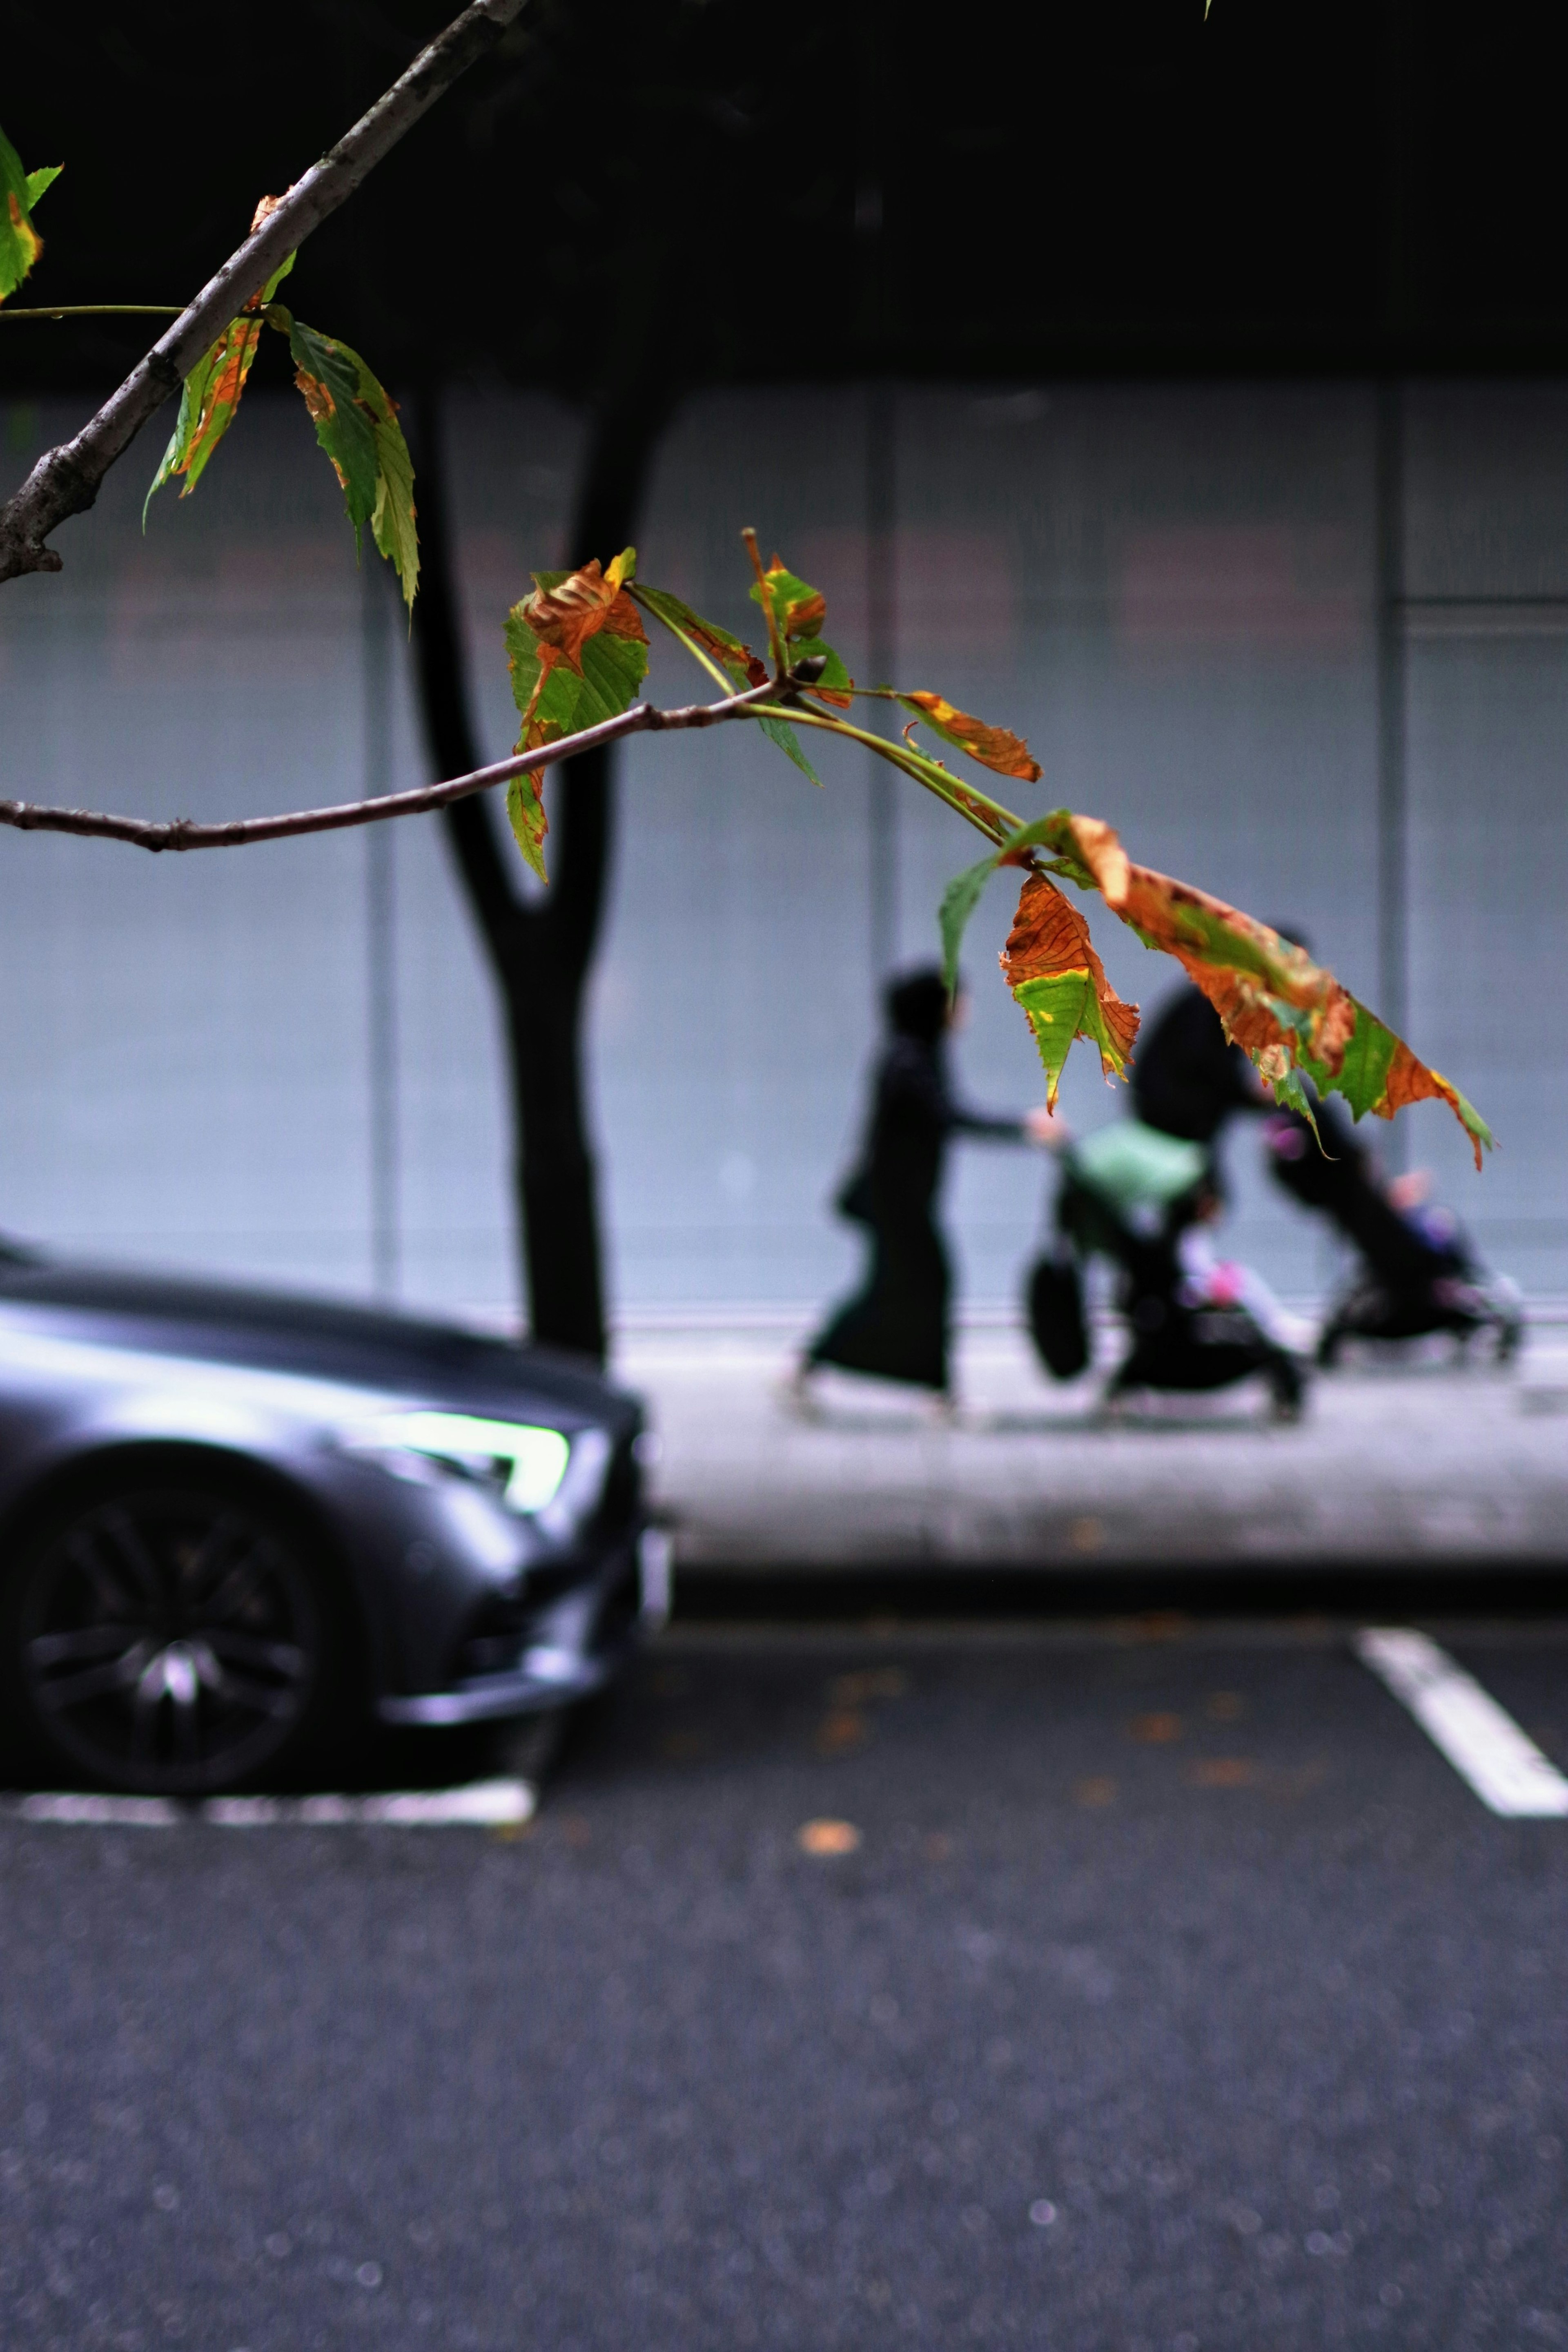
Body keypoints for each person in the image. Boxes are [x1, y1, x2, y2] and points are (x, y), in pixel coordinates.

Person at [792, 967, 1052, 1409]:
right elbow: (950, 1116)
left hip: (902, 1201)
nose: (965, 1009)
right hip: (897, 1203)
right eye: (957, 999)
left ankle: (811, 1367)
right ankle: (932, 1391)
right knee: (925, 1285)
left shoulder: (919, 1054)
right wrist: (1024, 1127)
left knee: (894, 1289)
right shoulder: (908, 1062)